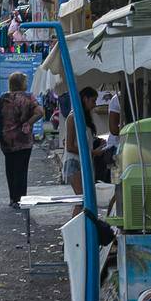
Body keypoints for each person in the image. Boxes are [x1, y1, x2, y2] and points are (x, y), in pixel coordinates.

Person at [0, 73, 44, 207]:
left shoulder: (3, 98)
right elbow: (40, 112)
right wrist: (28, 122)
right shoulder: (28, 98)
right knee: (22, 169)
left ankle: (12, 198)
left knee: (10, 168)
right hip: (23, 139)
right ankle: (20, 199)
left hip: (6, 139)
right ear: (23, 83)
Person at [63, 86, 106, 217]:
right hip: (74, 163)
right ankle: (76, 229)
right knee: (82, 199)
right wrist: (92, 152)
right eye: (92, 101)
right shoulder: (73, 117)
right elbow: (69, 146)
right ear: (84, 99)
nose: (94, 105)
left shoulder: (84, 118)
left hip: (85, 162)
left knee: (86, 199)